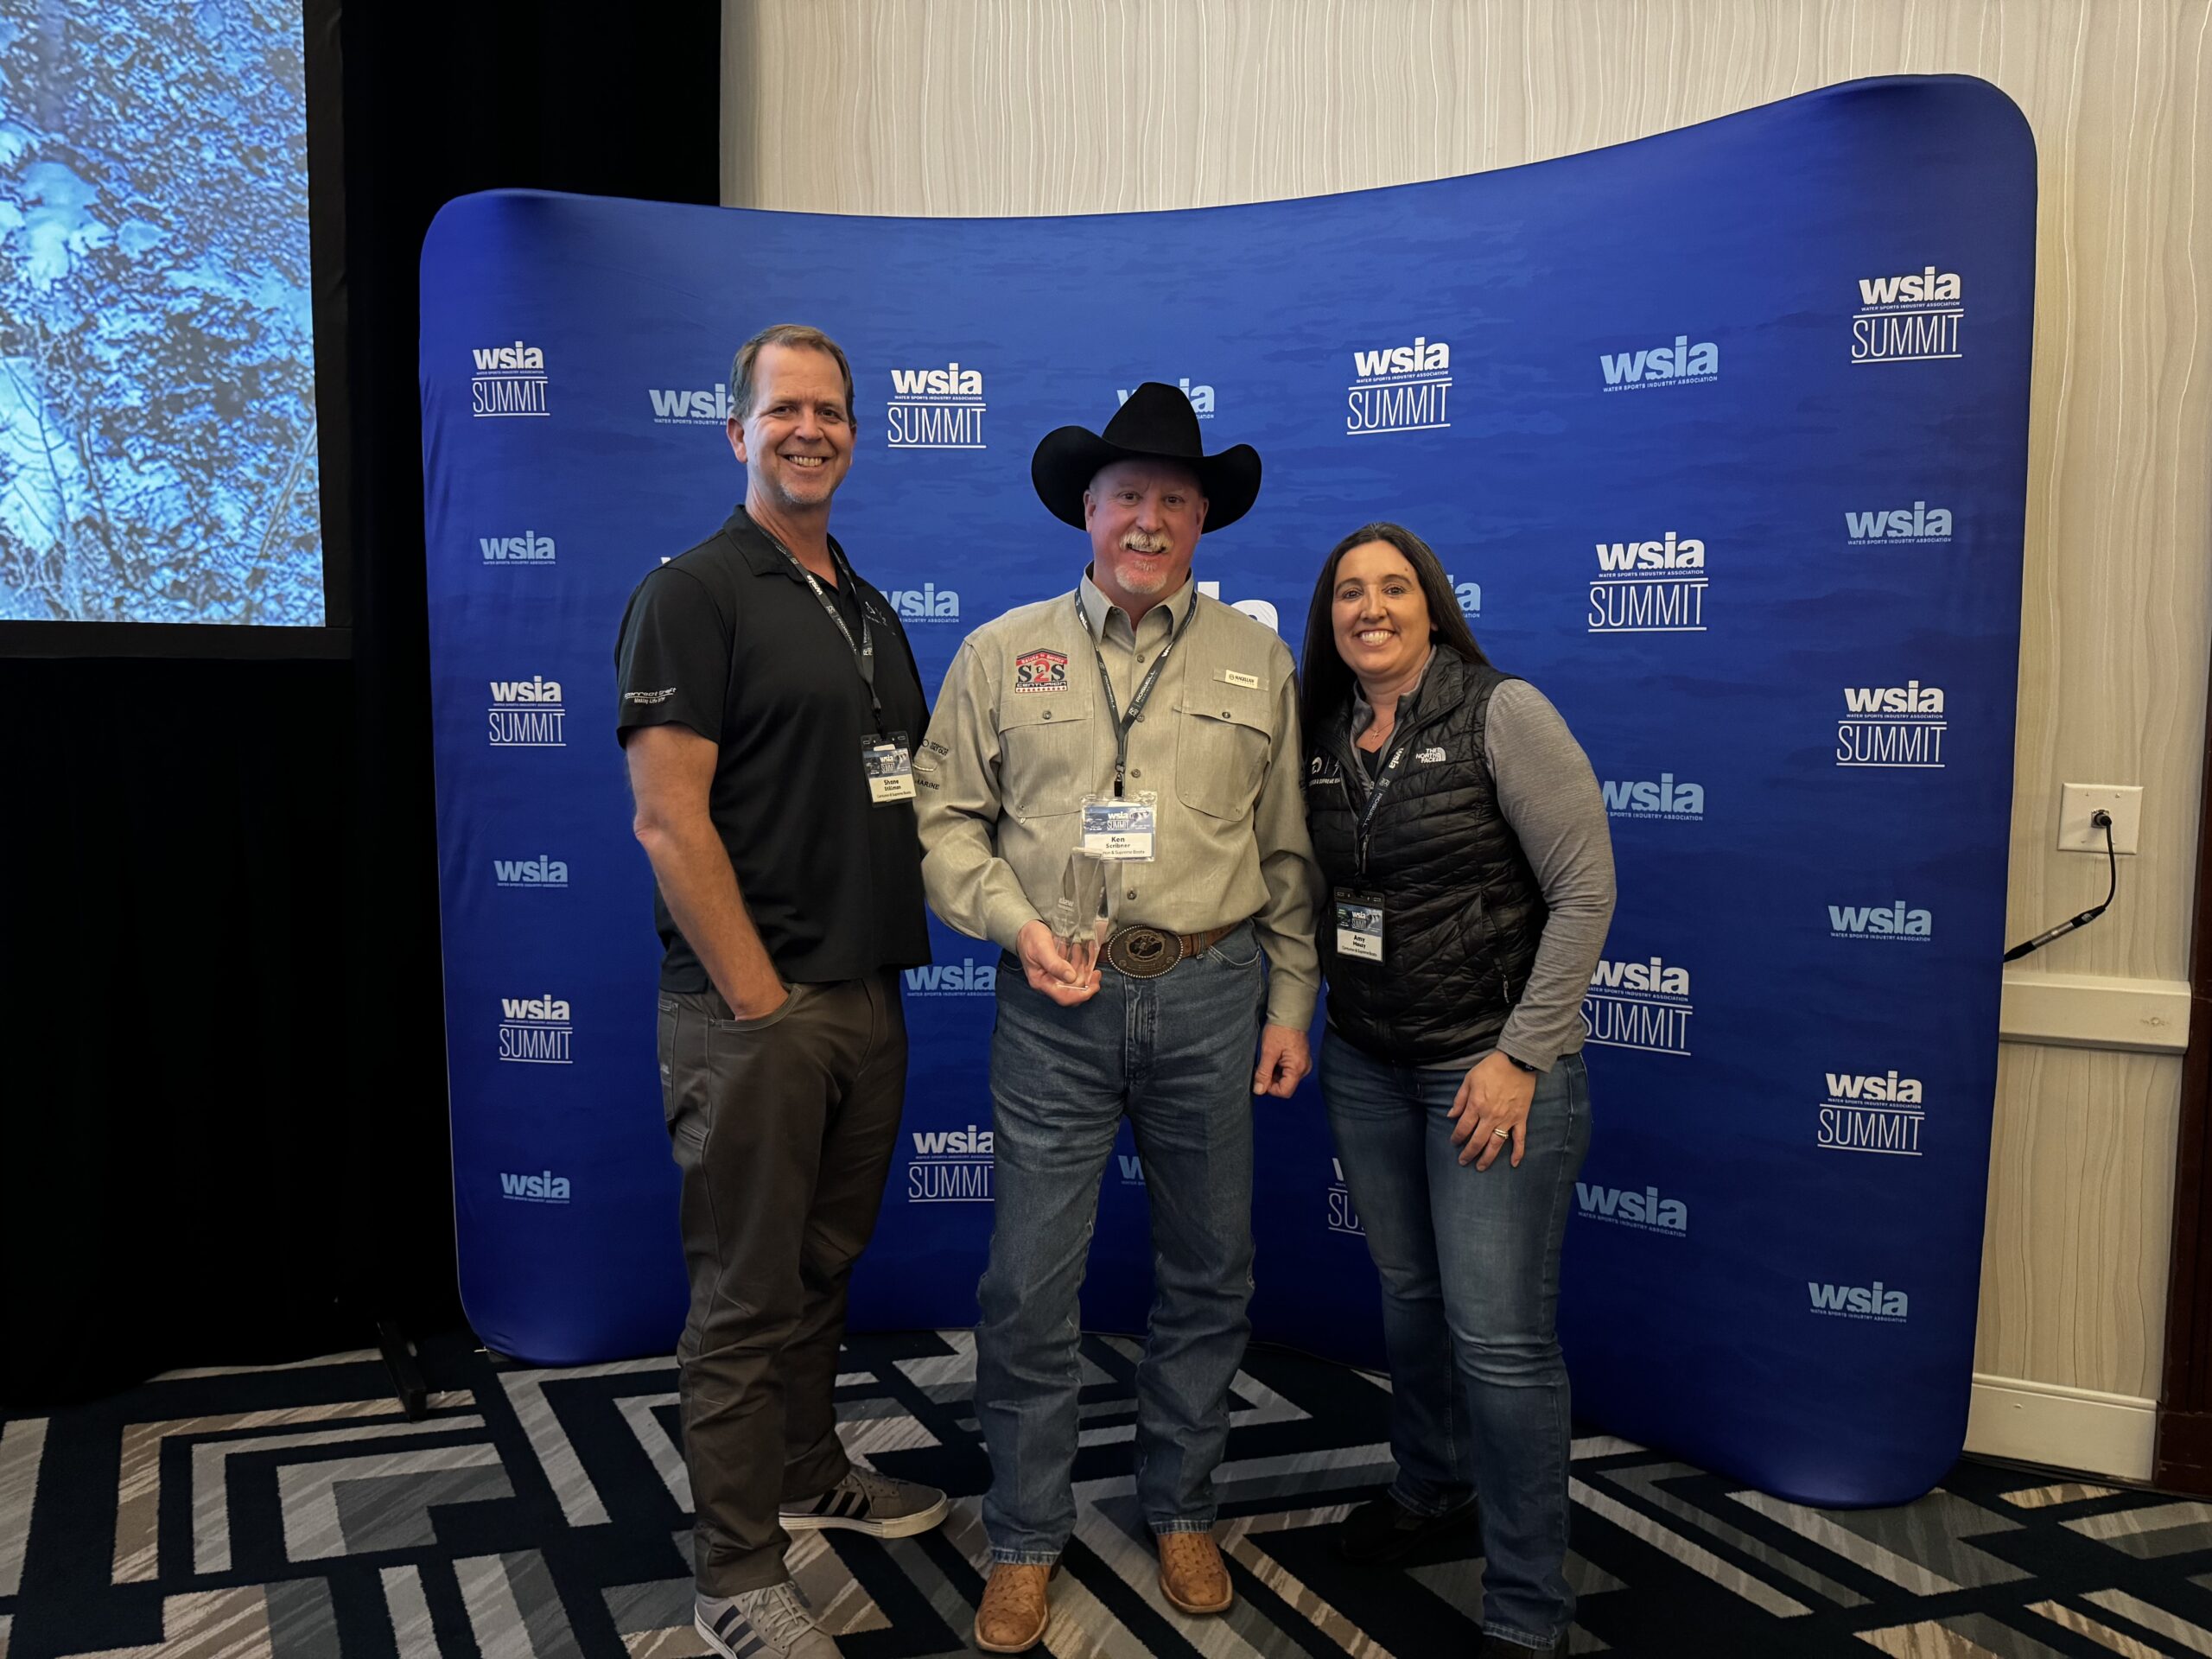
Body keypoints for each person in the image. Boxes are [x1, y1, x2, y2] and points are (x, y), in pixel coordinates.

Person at [914, 383, 1321, 1653]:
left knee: (1209, 1274)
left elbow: (1290, 852)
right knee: (1028, 1285)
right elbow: (943, 820)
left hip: (1211, 991)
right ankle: (1026, 1535)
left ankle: (1181, 1507)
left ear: (1205, 519)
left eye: (1174, 500)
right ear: (1087, 511)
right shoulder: (1000, 651)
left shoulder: (1261, 661)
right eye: (1127, 496)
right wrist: (1016, 926)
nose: (1149, 519)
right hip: (1053, 1001)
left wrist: (1292, 999)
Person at [614, 323, 950, 1659]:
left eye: (833, 412)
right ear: (737, 431)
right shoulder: (694, 591)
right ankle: (736, 1575)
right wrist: (758, 997)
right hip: (755, 1012)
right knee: (746, 1299)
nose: (810, 429)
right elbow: (666, 819)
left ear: (855, 436)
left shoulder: (864, 605)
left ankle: (810, 1478)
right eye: (784, 410)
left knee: (821, 1270)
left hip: (868, 997)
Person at [1300, 522, 1615, 1659]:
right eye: (1349, 592)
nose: (1370, 608)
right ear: (1328, 615)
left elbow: (1585, 889)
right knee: (1412, 1304)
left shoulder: (1500, 711)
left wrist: (1521, 1054)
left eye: (1394, 588)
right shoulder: (1323, 730)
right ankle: (1432, 1492)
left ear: (1433, 605)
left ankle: (1529, 1609)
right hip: (1366, 1061)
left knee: (1501, 1343)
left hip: (1487, 1072)